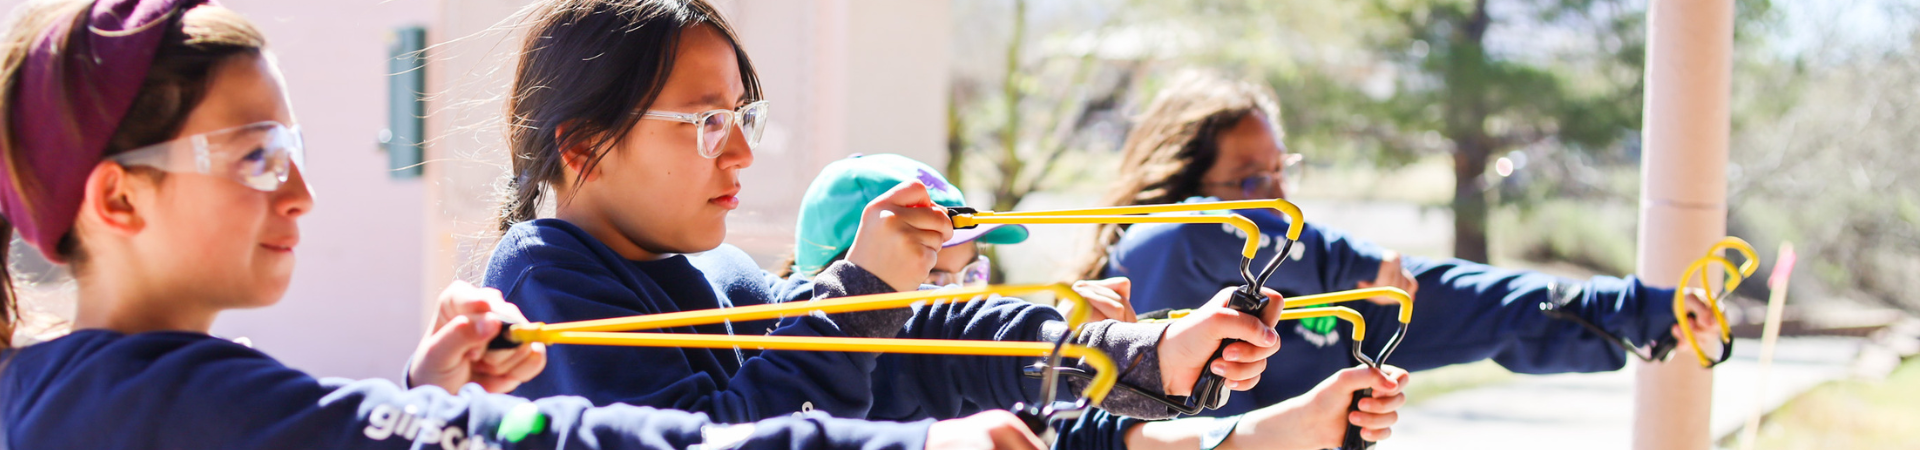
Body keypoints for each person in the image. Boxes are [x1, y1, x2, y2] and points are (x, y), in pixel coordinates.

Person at [0, 0, 1044, 448]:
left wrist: (418, 399)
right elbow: (571, 437)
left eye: (299, 154)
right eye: (255, 157)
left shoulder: (61, 387)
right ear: (118, 197)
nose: (302, 196)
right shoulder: (173, 401)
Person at [481, 0, 1288, 435]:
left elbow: (915, 355)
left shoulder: (717, 273)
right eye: (705, 124)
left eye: (743, 119)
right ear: (585, 146)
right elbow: (712, 438)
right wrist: (863, 285)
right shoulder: (546, 280)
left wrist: (1142, 352)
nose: (740, 157)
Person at [1074, 69, 1719, 417]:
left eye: (1280, 172)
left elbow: (1470, 302)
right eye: (1250, 179)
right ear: (1189, 179)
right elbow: (1216, 229)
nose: (1276, 194)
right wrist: (1351, 263)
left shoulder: (1298, 292)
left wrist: (1642, 309)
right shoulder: (1151, 249)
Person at [783, 153, 1412, 449]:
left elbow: (1111, 442)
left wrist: (1288, 428)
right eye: (934, 283)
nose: (962, 304)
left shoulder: (967, 358)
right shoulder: (796, 358)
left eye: (971, 277)